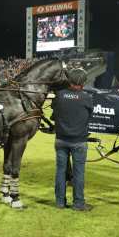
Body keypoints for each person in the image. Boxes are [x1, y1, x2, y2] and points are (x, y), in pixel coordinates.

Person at [52, 67, 93, 211]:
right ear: (83, 82)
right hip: (79, 141)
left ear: (69, 81)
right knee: (78, 173)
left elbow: (54, 112)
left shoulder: (59, 95)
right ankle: (78, 203)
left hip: (61, 140)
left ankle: (59, 202)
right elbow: (89, 115)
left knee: (60, 171)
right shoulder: (87, 97)